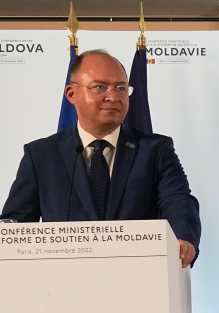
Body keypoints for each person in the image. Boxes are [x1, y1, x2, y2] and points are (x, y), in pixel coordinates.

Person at [1, 49, 201, 267]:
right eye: (100, 87)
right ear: (71, 94)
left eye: (121, 88)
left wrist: (183, 238)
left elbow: (178, 200)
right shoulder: (40, 156)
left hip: (138, 280)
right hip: (62, 285)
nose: (113, 96)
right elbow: (15, 225)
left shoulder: (156, 150)